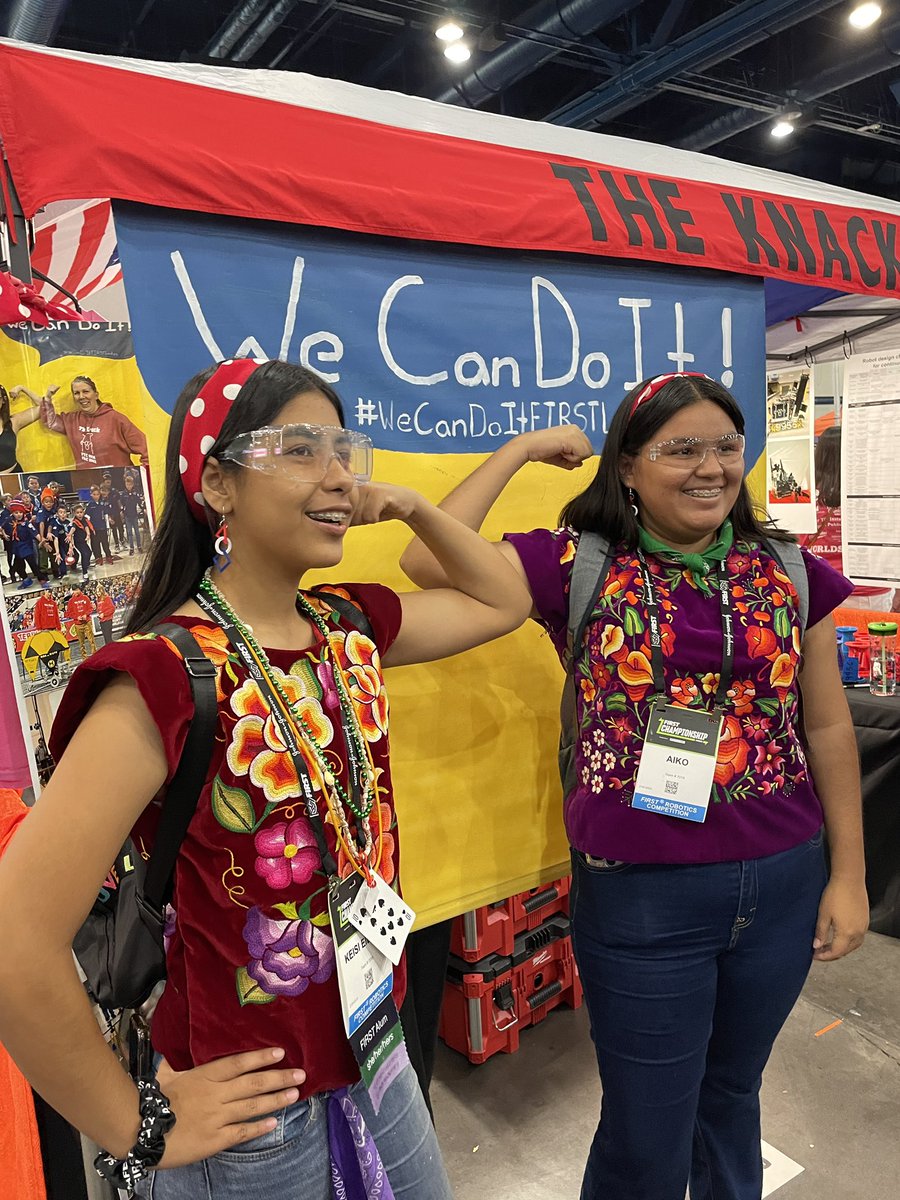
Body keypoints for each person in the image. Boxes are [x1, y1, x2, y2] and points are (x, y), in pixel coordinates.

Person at [0, 358, 532, 1200]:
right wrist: (133, 1124)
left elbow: (502, 601)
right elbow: (15, 939)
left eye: (343, 450)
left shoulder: (346, 625)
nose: (339, 475)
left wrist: (412, 505)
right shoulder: (161, 677)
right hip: (253, 1108)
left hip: (375, 1045)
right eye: (299, 448)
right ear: (217, 484)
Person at [401, 372, 870, 1200]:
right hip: (643, 902)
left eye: (725, 446)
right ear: (626, 465)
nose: (710, 467)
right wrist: (518, 451)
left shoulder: (787, 570)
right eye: (680, 448)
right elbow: (420, 559)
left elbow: (828, 728)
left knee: (732, 1096)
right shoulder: (576, 564)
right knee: (646, 1130)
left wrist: (849, 875)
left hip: (781, 883)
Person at [799, 425, 893, 611]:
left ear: (820, 453)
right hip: (873, 590)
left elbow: (798, 544)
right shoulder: (875, 491)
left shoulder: (804, 493)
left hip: (825, 589)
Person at [38, 376, 149, 469]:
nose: (81, 396)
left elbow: (147, 450)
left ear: (96, 395)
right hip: (86, 485)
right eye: (76, 393)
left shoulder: (116, 419)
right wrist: (48, 397)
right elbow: (50, 421)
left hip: (117, 484)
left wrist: (140, 478)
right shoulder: (72, 420)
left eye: (85, 391)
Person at [0, 385, 42, 474]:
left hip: (14, 476)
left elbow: (44, 407)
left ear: (3, 400)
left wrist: (22, 388)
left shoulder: (13, 422)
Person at [85, 484, 115, 566]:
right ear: (91, 495)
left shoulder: (102, 504)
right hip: (94, 529)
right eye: (94, 494)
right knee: (95, 544)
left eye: (97, 494)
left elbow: (106, 515)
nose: (96, 496)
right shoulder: (90, 505)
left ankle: (108, 556)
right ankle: (98, 558)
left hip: (103, 527)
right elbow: (87, 518)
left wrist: (108, 523)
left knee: (105, 543)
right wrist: (89, 528)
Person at [65, 586, 96, 660]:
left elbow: (90, 608)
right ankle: (84, 657)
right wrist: (76, 617)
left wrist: (86, 614)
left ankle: (95, 654)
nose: (75, 592)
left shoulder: (85, 598)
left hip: (87, 622)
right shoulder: (71, 601)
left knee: (91, 640)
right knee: (81, 642)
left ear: (79, 589)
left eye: (76, 590)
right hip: (78, 624)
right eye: (74, 590)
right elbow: (68, 613)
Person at [120, 471, 146, 555]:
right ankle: (131, 548)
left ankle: (139, 546)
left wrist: (143, 509)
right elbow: (121, 504)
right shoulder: (123, 494)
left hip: (134, 515)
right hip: (127, 516)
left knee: (137, 532)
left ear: (133, 484)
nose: (129, 486)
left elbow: (139, 502)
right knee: (129, 533)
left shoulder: (135, 493)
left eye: (130, 484)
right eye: (127, 484)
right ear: (125, 484)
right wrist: (122, 511)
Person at [69, 503, 94, 582]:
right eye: (77, 513)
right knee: (84, 554)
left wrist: (88, 534)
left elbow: (86, 527)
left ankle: (86, 564)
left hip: (83, 541)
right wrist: (69, 534)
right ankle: (85, 572)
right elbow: (73, 529)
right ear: (74, 513)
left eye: (81, 512)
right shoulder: (75, 522)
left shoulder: (84, 519)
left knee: (89, 552)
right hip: (78, 542)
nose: (79, 514)